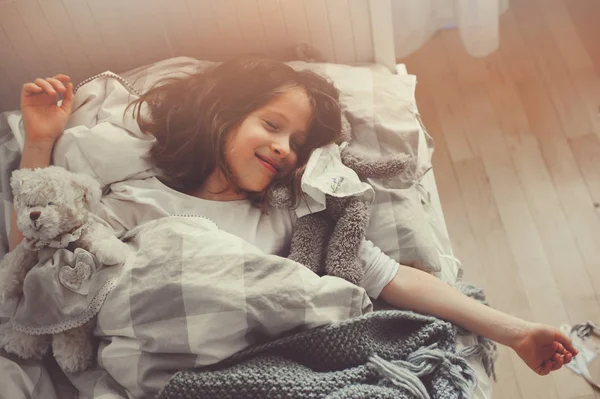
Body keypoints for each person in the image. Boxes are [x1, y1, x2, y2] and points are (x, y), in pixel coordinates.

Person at [10, 57, 577, 380]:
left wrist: (518, 331)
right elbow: (36, 255)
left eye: (299, 143)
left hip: (252, 369)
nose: (285, 149)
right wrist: (41, 139)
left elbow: (392, 277)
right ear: (223, 115)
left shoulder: (290, 220)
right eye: (272, 125)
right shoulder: (134, 197)